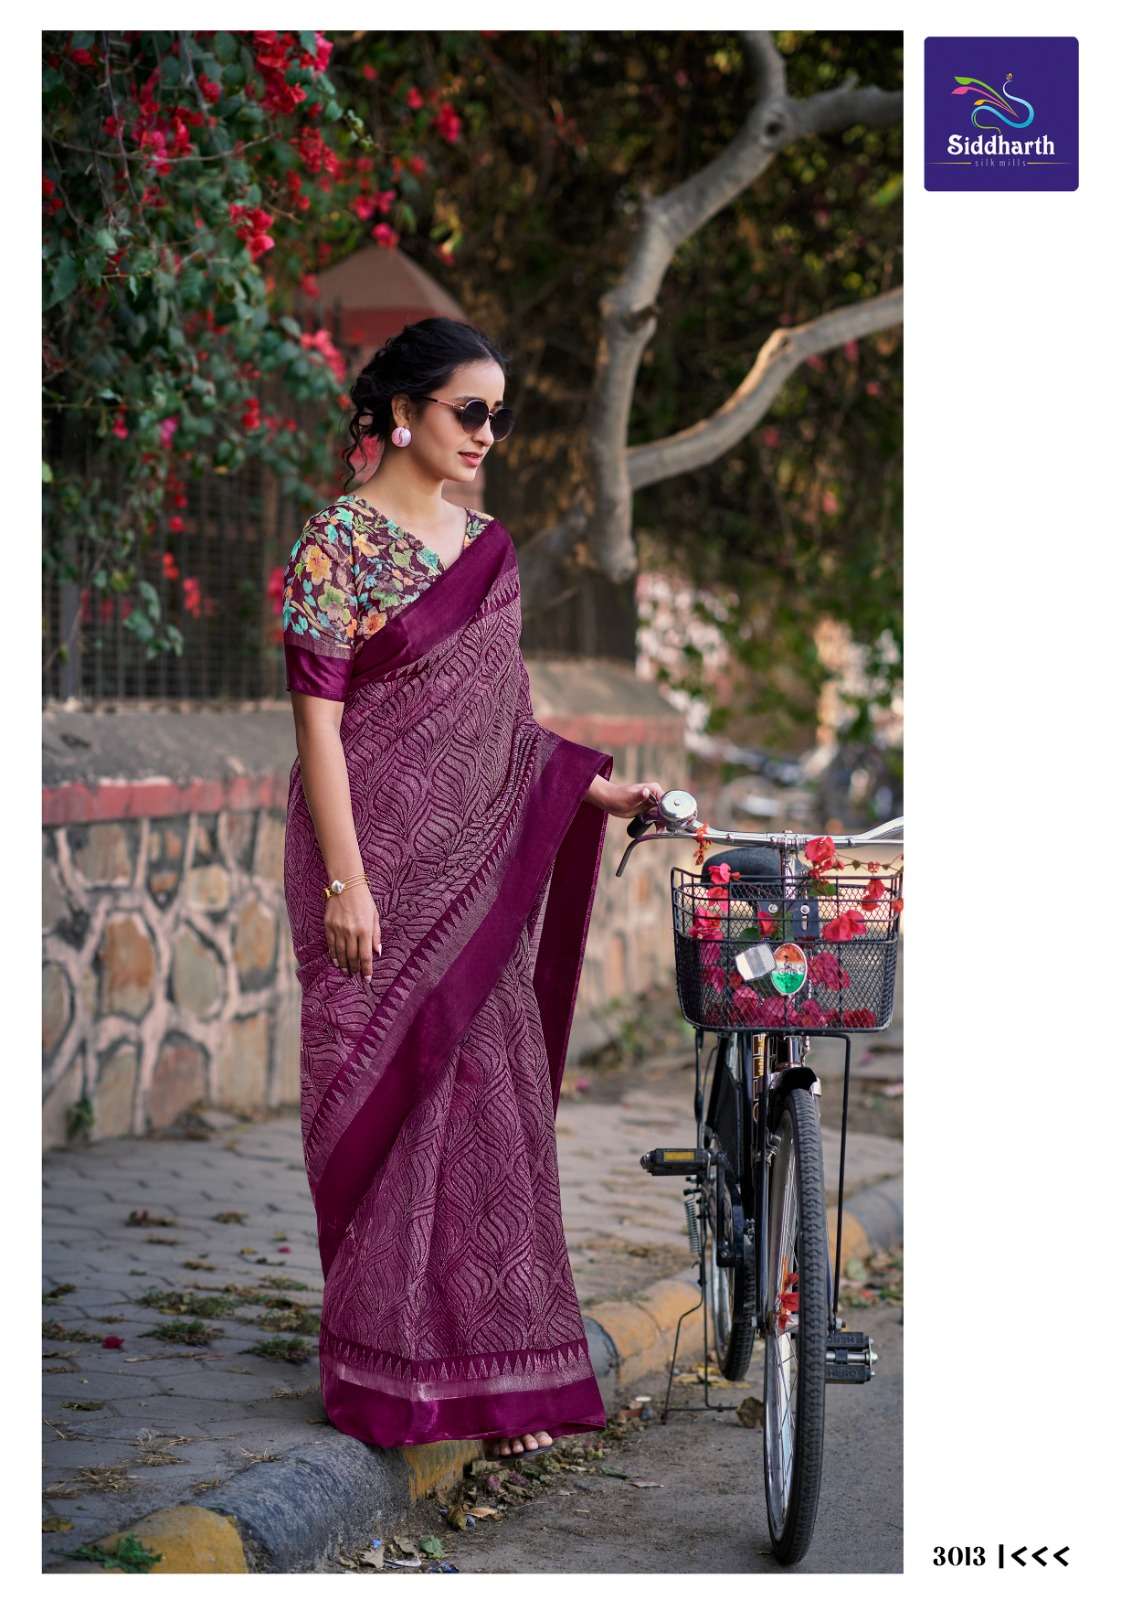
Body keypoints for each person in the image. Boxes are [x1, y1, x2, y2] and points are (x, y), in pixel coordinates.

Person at [281, 317, 665, 1459]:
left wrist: (591, 791)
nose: (488, 433)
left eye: (499, 414)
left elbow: (503, 722)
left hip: (470, 869)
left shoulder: (488, 551)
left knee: (489, 1109)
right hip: (366, 867)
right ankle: (384, 1370)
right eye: (470, 410)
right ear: (405, 412)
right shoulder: (336, 546)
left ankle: (492, 1383)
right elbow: (318, 729)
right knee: (381, 1107)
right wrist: (348, 884)